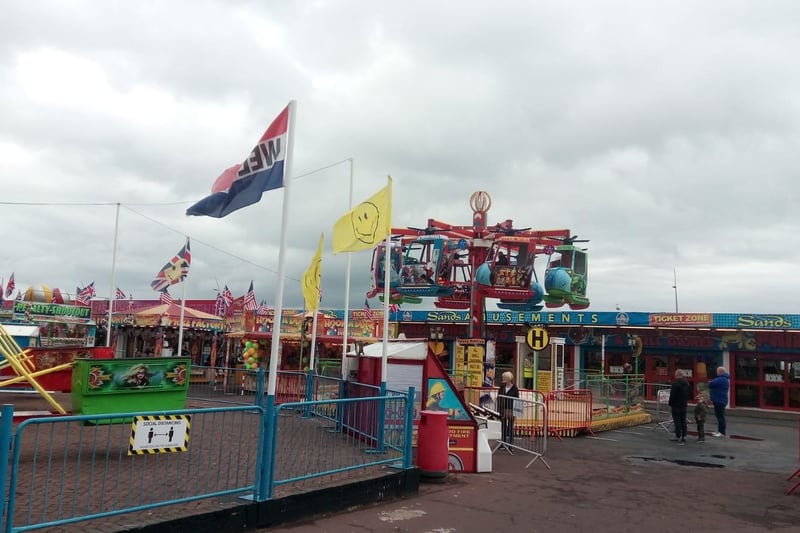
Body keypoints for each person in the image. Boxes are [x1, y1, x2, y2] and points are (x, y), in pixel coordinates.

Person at [668, 369, 691, 444]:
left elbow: (673, 395)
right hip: (684, 404)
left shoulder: (675, 384)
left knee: (677, 421)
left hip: (676, 405)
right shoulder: (687, 383)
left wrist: (670, 403)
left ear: (676, 375)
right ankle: (684, 435)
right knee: (683, 420)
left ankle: (678, 436)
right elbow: (689, 394)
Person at [497, 371, 520, 445]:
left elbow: (517, 399)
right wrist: (499, 410)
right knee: (503, 427)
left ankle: (510, 443)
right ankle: (502, 443)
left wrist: (516, 412)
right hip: (503, 409)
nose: (502, 378)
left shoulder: (515, 388)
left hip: (511, 410)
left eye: (504, 377)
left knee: (510, 427)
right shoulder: (502, 388)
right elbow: (499, 398)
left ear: (508, 379)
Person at [708, 366, 730, 437]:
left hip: (719, 400)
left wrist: (710, 382)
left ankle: (721, 432)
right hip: (721, 400)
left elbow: (710, 384)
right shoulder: (724, 379)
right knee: (719, 416)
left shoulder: (721, 379)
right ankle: (720, 431)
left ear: (720, 372)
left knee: (720, 416)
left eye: (717, 371)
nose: (716, 372)